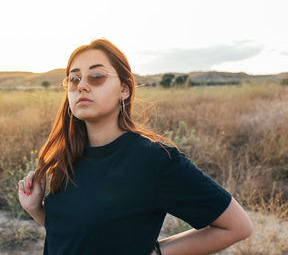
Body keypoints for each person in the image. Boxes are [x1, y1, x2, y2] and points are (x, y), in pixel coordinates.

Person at [17, 38, 253, 255]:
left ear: (124, 89)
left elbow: (237, 226)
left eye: (97, 76)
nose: (82, 86)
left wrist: (157, 252)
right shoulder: (67, 155)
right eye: (74, 79)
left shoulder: (154, 160)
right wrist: (37, 210)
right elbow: (77, 234)